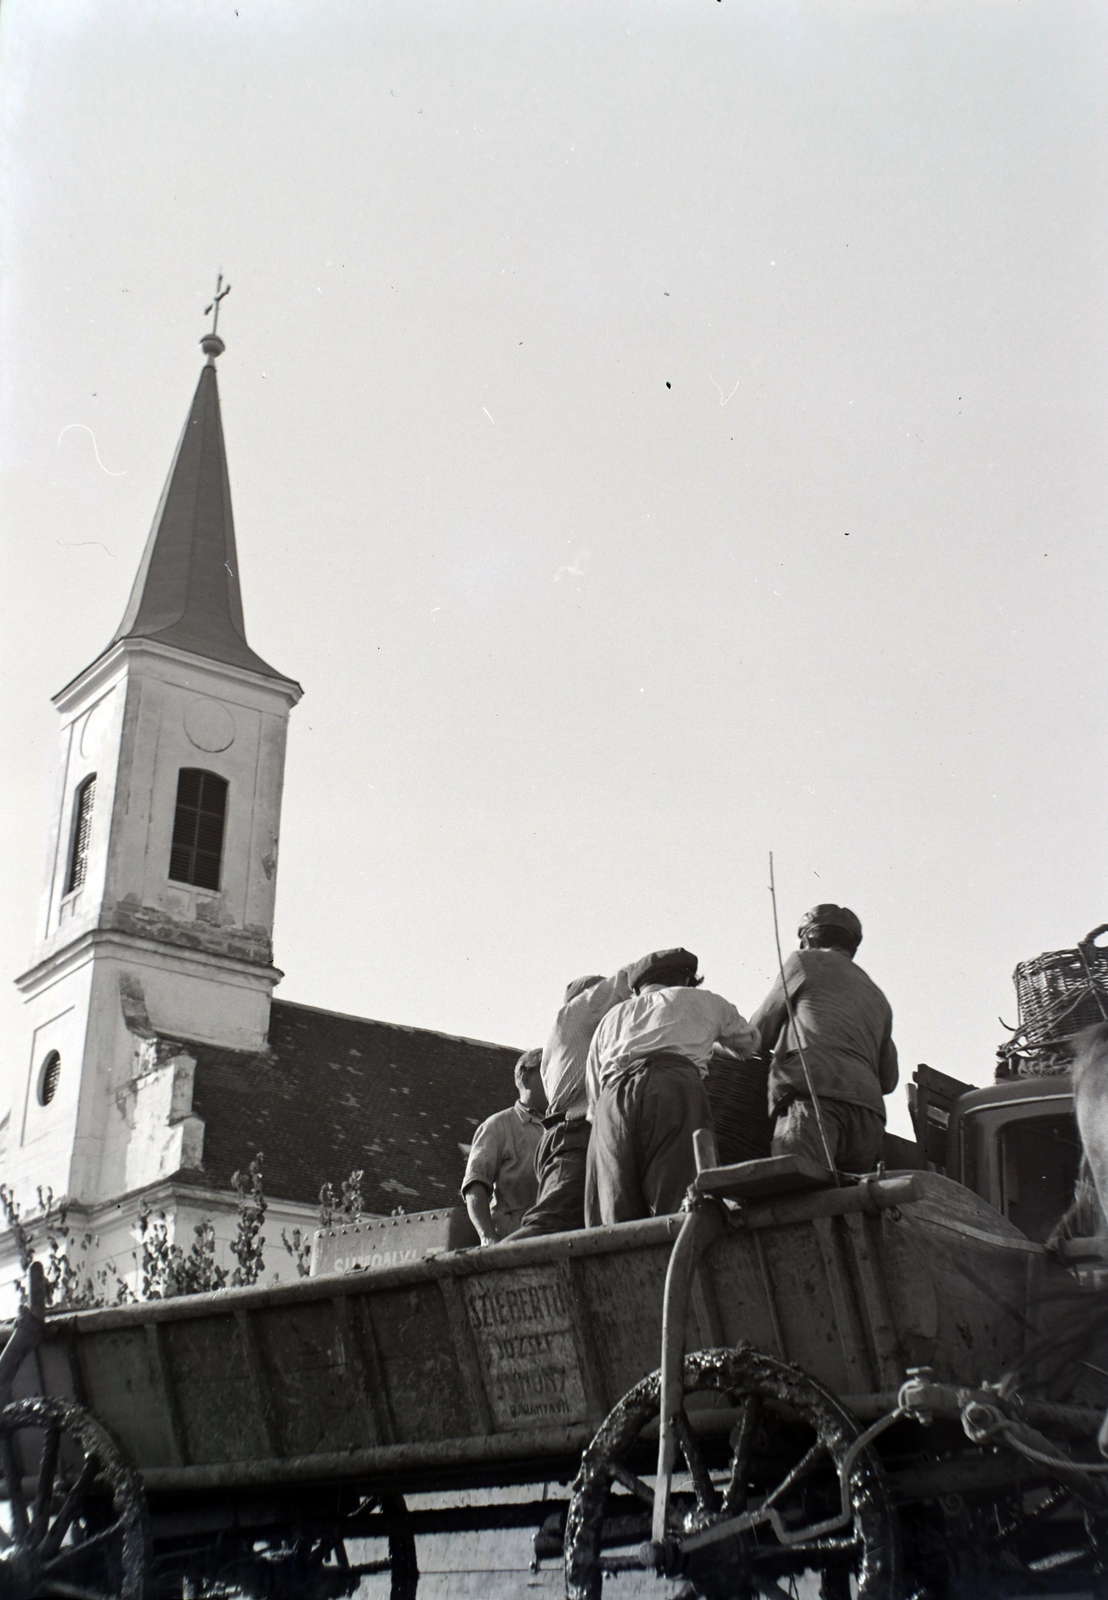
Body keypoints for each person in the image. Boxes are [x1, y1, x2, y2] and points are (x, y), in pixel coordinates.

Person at [584, 948, 759, 1225]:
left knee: (614, 1214)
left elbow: (593, 1103)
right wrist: (706, 1041)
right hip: (672, 1088)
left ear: (637, 988)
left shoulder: (611, 1019)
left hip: (611, 1102)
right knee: (677, 1204)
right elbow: (750, 1046)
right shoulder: (705, 1001)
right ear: (688, 980)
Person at [749, 904, 898, 1173]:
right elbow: (889, 1080)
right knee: (850, 1208)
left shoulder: (803, 962)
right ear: (852, 947)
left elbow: (757, 1035)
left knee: (796, 1197)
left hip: (816, 1101)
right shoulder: (878, 996)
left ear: (808, 939)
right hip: (868, 1115)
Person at [508, 967, 634, 1239]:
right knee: (552, 1224)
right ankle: (480, 1273)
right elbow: (630, 977)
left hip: (572, 1136)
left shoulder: (575, 1038)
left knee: (583, 1228)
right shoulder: (580, 1009)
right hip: (575, 1136)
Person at [461, 1048, 546, 1244]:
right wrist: (488, 1237)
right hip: (513, 1244)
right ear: (526, 1079)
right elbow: (475, 1185)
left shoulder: (561, 1125)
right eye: (546, 1072)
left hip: (554, 1244)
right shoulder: (498, 1127)